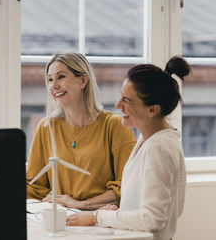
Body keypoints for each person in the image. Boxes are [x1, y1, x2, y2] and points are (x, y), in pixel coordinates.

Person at [66, 56, 190, 240]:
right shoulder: (149, 139)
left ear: (152, 110)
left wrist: (97, 216)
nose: (118, 105)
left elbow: (154, 218)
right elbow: (168, 208)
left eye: (126, 100)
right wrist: (119, 214)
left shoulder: (159, 147)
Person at [26, 52, 136, 210]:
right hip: (61, 219)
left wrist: (81, 205)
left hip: (101, 220)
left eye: (61, 77)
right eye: (50, 79)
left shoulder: (114, 125)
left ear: (83, 80)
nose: (54, 86)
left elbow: (127, 186)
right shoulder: (46, 127)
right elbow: (34, 188)